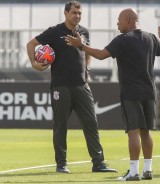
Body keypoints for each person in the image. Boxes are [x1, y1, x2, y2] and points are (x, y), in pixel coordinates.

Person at [65, 8, 160, 181]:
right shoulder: (151, 37)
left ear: (129, 20)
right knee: (146, 132)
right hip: (150, 92)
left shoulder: (123, 40)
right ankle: (148, 170)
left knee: (134, 132)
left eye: (119, 20)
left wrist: (81, 46)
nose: (117, 23)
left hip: (131, 93)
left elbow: (100, 55)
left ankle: (134, 172)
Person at [26, 0, 117, 173]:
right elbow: (31, 44)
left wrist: (88, 69)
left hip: (82, 85)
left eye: (79, 13)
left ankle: (98, 163)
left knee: (91, 124)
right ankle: (61, 164)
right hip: (61, 87)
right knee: (60, 126)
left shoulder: (83, 32)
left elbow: (87, 52)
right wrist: (34, 63)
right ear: (66, 13)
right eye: (74, 12)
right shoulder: (54, 32)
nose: (77, 16)